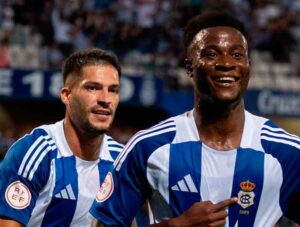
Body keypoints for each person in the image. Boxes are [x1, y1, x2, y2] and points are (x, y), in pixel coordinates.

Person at [89, 11, 300, 227]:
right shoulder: (148, 147)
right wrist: (176, 225)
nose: (226, 63)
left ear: (248, 67)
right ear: (190, 67)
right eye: (211, 54)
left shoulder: (287, 152)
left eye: (237, 55)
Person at [0, 48, 124, 226]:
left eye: (113, 90)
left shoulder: (121, 161)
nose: (106, 99)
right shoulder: (35, 152)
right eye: (93, 88)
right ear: (67, 96)